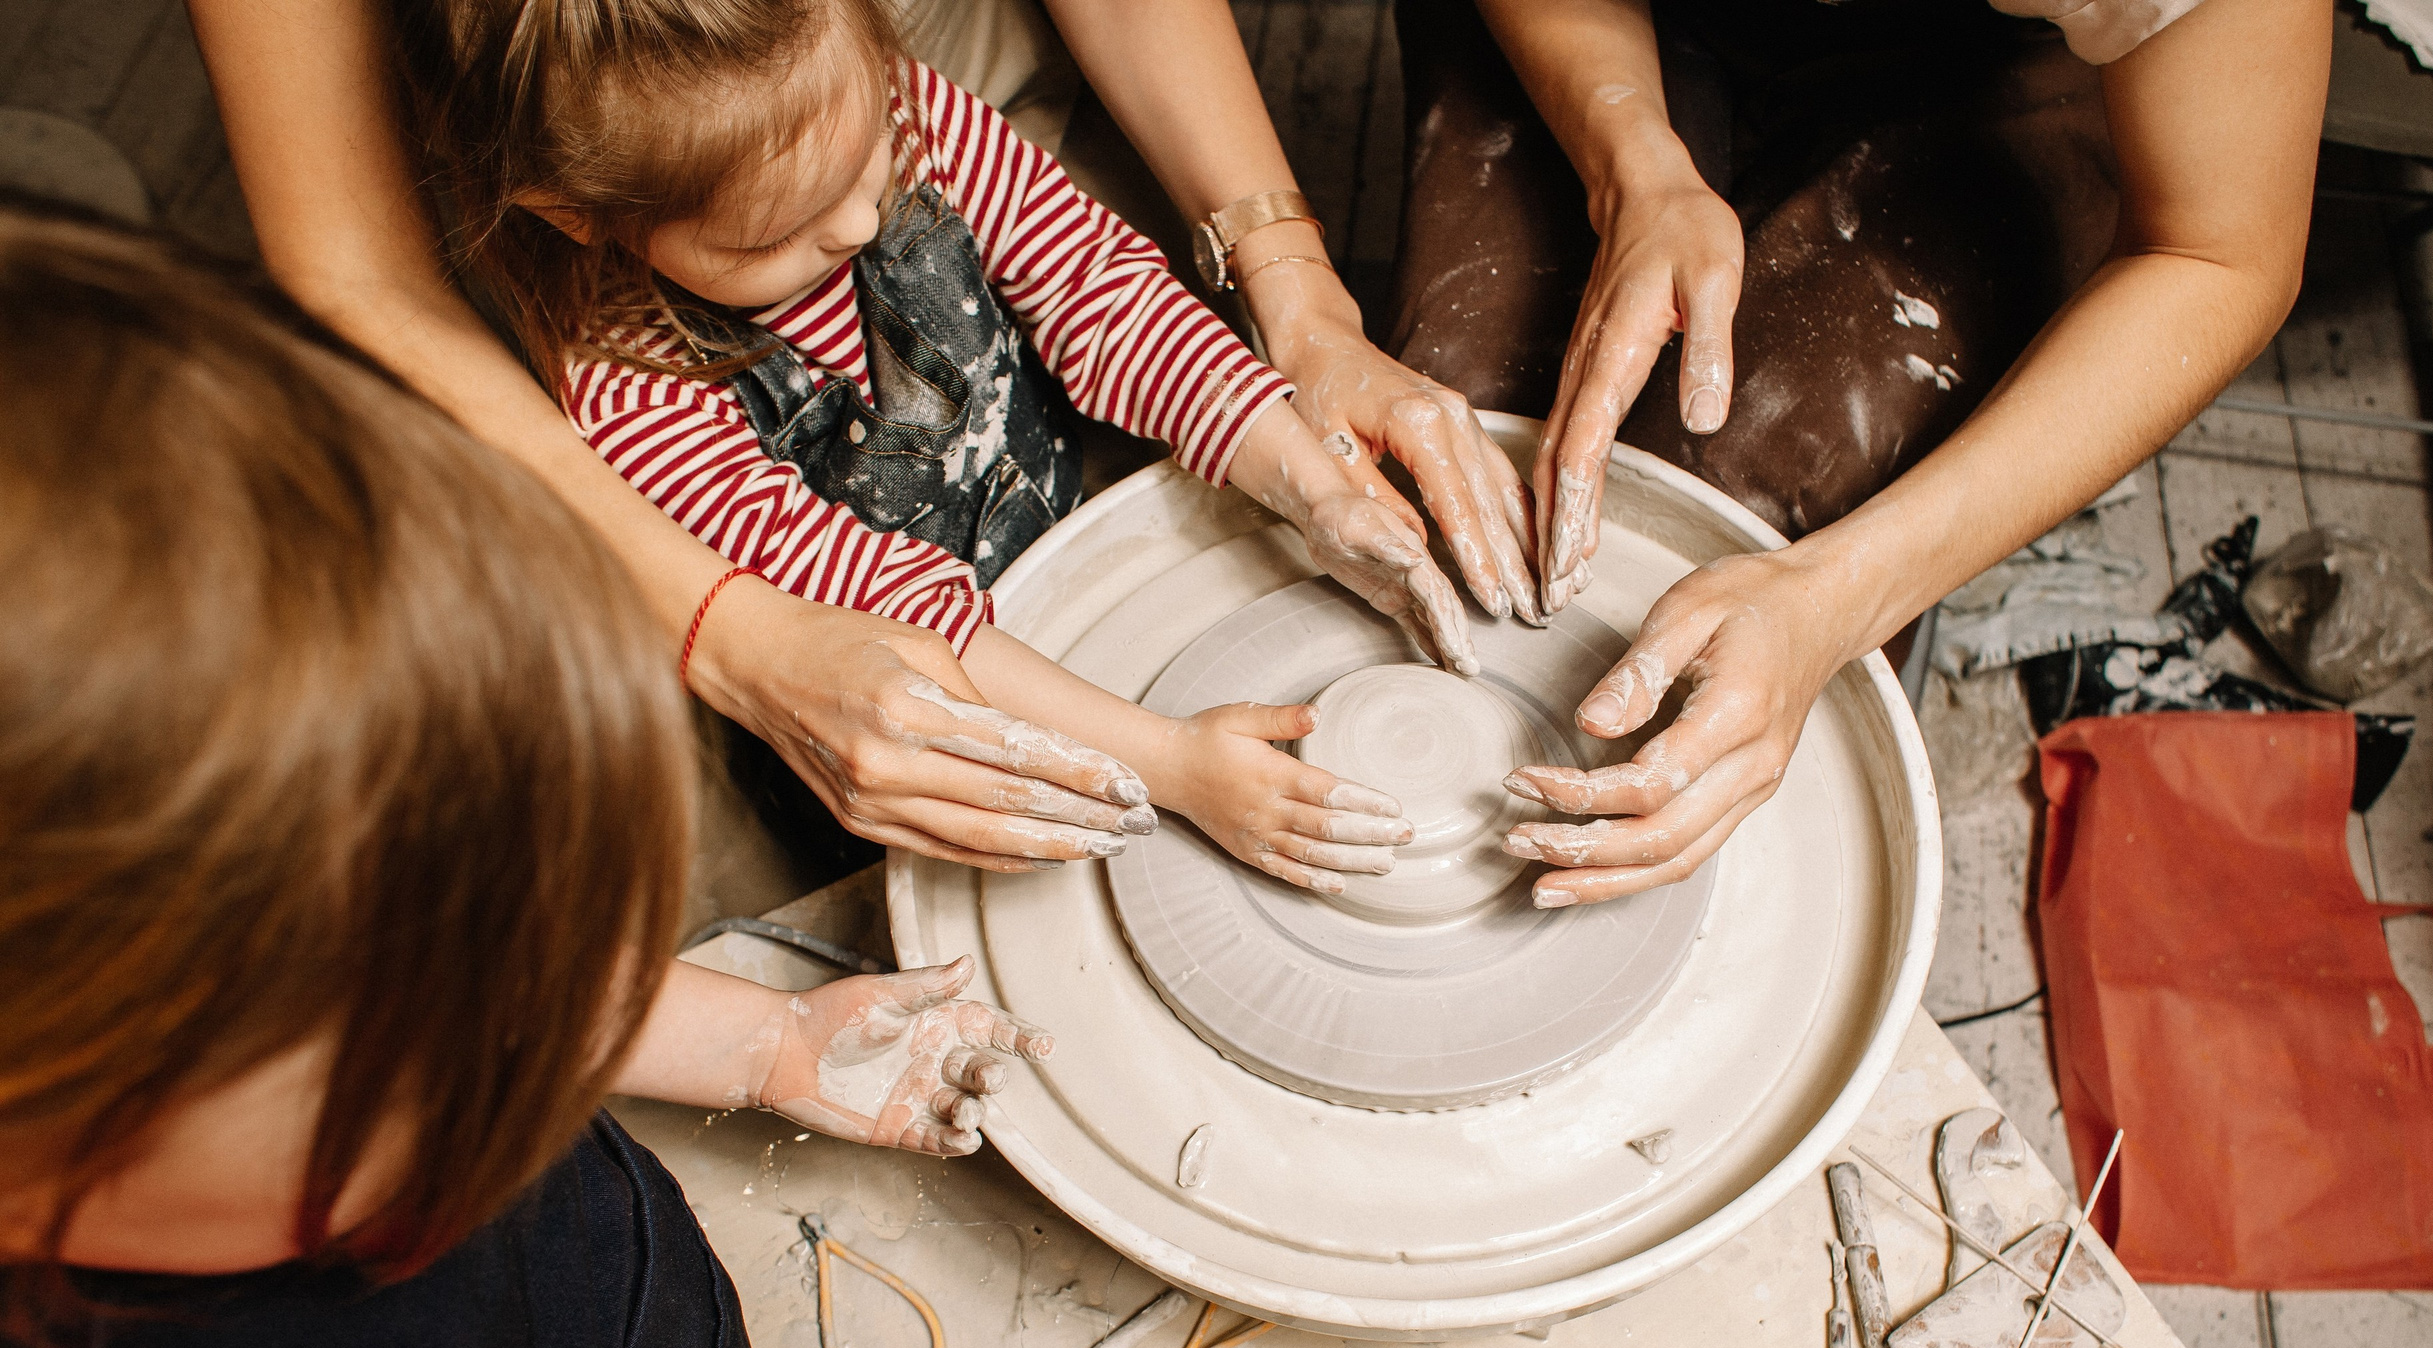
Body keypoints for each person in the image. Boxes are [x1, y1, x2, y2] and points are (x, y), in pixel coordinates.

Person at [0, 201, 1346, 1348]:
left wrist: (764, 1046)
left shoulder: (203, 1059)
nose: (503, 1036)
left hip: (577, 1345)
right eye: (421, 1033)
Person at [184, 0, 1532, 881]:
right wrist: (1170, 763)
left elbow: (1099, 295)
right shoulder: (632, 397)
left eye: (872, 164)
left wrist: (1293, 460)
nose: (858, 226)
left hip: (1039, 525)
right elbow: (893, 621)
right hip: (909, 676)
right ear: (581, 214)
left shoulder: (892, 119)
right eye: (774, 237)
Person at [1380, 0, 2328, 908]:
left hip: (1993, 53)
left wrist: (1839, 593)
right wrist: (1632, 166)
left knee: (1740, 540)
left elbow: (2220, 253)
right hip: (1607, 20)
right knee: (1455, 473)